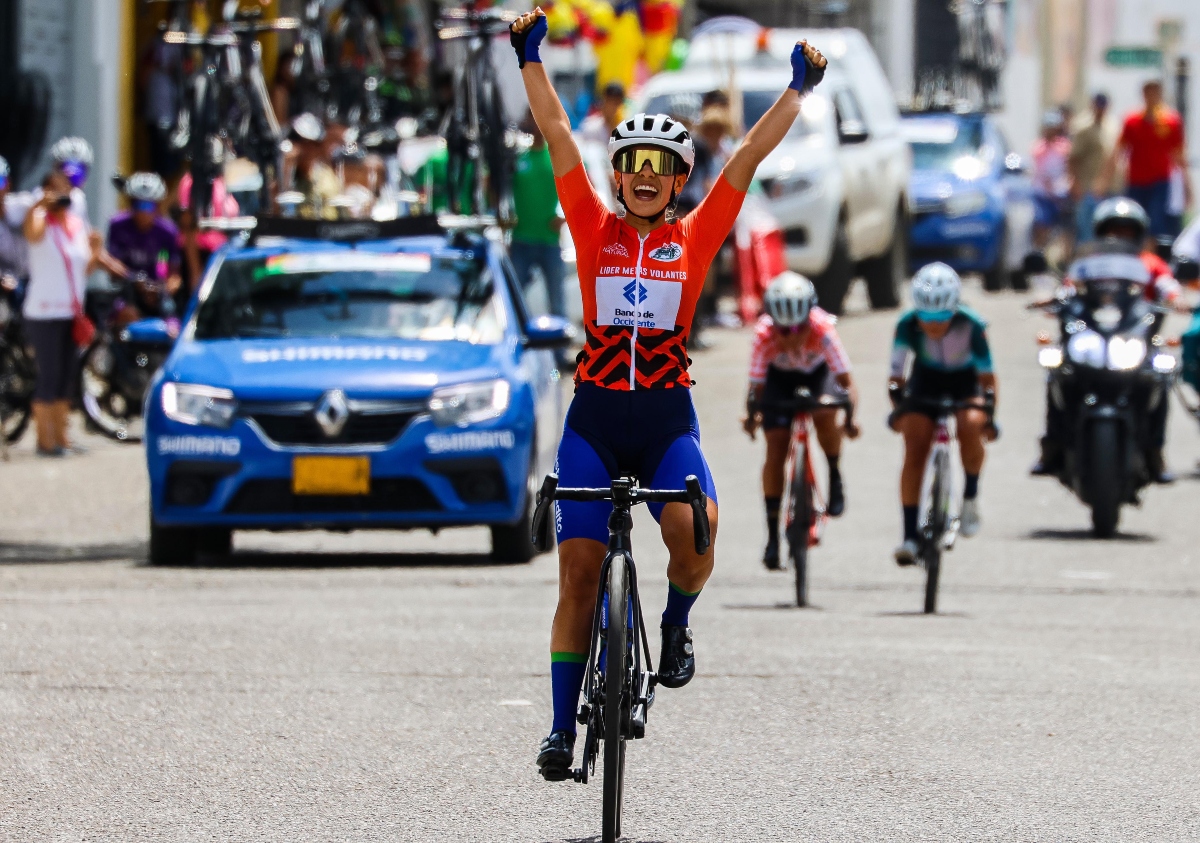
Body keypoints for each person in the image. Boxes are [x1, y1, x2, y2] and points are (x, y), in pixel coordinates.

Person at [509, 7, 828, 781]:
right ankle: (558, 729)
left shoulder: (695, 236)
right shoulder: (591, 226)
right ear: (618, 174)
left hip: (662, 420)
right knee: (579, 573)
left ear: (679, 180)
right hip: (593, 421)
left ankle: (676, 624)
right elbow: (556, 134)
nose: (646, 174)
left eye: (662, 164)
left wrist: (798, 89)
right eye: (634, 162)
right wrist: (529, 58)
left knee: (699, 533)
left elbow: (747, 158)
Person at [1033, 198, 1180, 482]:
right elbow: (1067, 289)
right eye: (1113, 231)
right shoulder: (1086, 263)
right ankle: (1053, 443)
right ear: (1101, 233)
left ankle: (1154, 450)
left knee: (1160, 378)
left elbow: (1168, 288)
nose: (1119, 238)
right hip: (1091, 336)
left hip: (1133, 339)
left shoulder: (1149, 263)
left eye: (1126, 232)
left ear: (1137, 235)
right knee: (1058, 375)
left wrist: (1177, 300)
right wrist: (1050, 300)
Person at [742, 272, 859, 569]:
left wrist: (850, 419)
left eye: (799, 327)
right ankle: (772, 537)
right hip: (779, 379)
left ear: (810, 319)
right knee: (776, 446)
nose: (792, 335)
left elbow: (846, 382)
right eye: (784, 329)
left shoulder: (823, 329)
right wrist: (752, 416)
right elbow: (755, 388)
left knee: (824, 413)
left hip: (818, 375)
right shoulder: (764, 336)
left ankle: (834, 472)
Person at [889, 263, 997, 565]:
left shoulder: (973, 325)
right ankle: (910, 535)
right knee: (914, 447)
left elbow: (988, 379)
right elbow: (896, 376)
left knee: (970, 426)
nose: (933, 326)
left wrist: (990, 416)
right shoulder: (906, 325)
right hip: (926, 380)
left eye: (942, 319)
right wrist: (898, 408)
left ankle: (971, 498)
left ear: (955, 310)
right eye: (927, 318)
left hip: (965, 382)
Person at [21, 171, 102, 456]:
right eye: (55, 190)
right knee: (49, 375)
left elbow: (84, 269)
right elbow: (32, 233)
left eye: (65, 190)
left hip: (71, 311)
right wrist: (39, 205)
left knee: (68, 376)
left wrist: (95, 250)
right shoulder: (40, 220)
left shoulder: (76, 223)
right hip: (43, 311)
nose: (62, 195)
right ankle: (45, 441)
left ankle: (63, 438)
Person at [1100, 79, 1193, 240]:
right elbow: (1118, 151)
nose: (1152, 96)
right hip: (1136, 181)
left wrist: (1187, 185)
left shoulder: (1171, 121)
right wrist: (1105, 179)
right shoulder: (1132, 121)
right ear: (1143, 94)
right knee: (1133, 219)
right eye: (1148, 92)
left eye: (1155, 92)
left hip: (1160, 181)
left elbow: (1179, 156)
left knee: (1156, 223)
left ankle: (1151, 257)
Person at [510, 111, 567, 347]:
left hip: (549, 240)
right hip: (521, 238)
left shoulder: (556, 158)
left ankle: (559, 353)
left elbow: (580, 190)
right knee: (512, 296)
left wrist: (563, 215)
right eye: (532, 119)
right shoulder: (518, 158)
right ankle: (515, 344)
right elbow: (500, 191)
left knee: (556, 299)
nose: (536, 125)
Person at [105, 173, 183, 325]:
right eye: (137, 204)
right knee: (122, 318)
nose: (143, 212)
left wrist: (161, 290)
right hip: (127, 290)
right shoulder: (117, 225)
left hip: (158, 293)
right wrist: (133, 279)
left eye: (148, 205)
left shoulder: (168, 231)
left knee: (173, 327)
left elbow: (175, 276)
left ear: (158, 205)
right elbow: (112, 265)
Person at [1069, 93, 1110, 247]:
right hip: (1086, 186)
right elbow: (1073, 158)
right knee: (1087, 231)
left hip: (1106, 187)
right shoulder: (1083, 127)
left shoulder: (1110, 125)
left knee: (1103, 230)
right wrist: (1075, 182)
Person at [282, 113, 341, 219]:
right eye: (304, 144)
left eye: (315, 145)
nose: (310, 151)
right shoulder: (281, 171)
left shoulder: (325, 173)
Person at [1031, 110, 1072, 249]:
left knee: (1065, 228)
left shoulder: (1064, 146)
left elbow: (1068, 167)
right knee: (1042, 225)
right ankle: (1039, 253)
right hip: (1042, 194)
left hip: (1061, 194)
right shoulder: (1038, 147)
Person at [0, 156, 29, 293]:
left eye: (0, 181)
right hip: (5, 286)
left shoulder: (23, 205)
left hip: (33, 280)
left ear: (8, 184)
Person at [578, 81, 626, 147]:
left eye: (616, 103)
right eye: (610, 102)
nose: (613, 108)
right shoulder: (591, 127)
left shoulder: (626, 130)